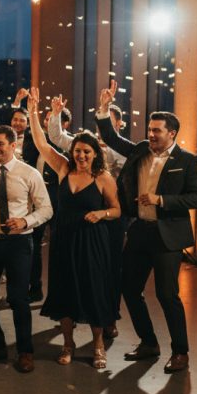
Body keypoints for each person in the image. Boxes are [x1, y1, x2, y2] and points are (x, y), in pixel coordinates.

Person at [95, 79, 197, 374]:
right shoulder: (142, 150)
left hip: (167, 236)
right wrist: (104, 110)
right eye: (150, 129)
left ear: (172, 133)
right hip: (140, 231)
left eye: (157, 130)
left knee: (167, 295)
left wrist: (160, 199)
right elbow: (113, 139)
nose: (151, 134)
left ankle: (180, 352)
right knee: (129, 289)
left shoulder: (188, 161)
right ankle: (149, 343)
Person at [26, 89, 121, 369]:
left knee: (93, 290)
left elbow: (117, 210)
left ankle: (99, 345)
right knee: (65, 290)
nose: (80, 155)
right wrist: (33, 111)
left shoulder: (103, 178)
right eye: (77, 151)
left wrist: (101, 213)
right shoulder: (64, 169)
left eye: (86, 152)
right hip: (64, 238)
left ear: (95, 154)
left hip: (93, 240)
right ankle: (67, 344)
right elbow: (42, 144)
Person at [0, 125, 53, 374]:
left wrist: (25, 221)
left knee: (18, 299)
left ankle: (25, 351)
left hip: (19, 242)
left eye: (0, 144)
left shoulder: (29, 174)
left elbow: (46, 209)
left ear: (12, 145)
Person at [47, 93, 127, 339]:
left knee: (105, 274)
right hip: (73, 223)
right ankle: (70, 327)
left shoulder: (120, 151)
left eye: (109, 123)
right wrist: (56, 114)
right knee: (69, 278)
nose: (81, 155)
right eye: (101, 122)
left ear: (118, 126)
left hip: (106, 222)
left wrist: (103, 213)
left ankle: (108, 319)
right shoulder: (81, 147)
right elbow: (57, 138)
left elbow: (116, 203)